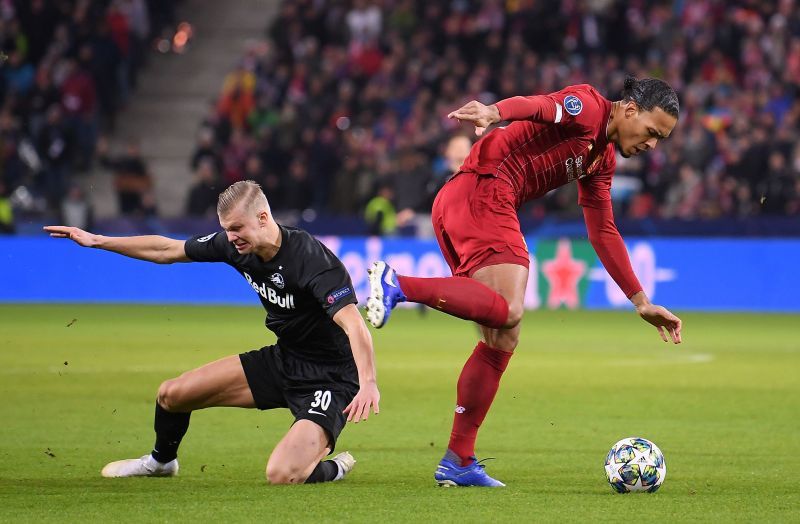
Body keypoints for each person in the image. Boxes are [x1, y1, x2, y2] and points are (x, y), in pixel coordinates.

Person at [366, 77, 683, 487]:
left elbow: (603, 230)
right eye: (652, 132)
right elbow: (539, 106)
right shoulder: (587, 108)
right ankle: (398, 284)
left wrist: (641, 301)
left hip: (462, 200)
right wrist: (493, 112)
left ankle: (458, 460)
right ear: (628, 110)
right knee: (511, 308)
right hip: (487, 189)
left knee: (502, 337)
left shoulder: (601, 159)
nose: (652, 145)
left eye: (661, 139)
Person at [44, 180, 380, 485]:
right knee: (172, 394)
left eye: (237, 228)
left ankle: (333, 468)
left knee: (282, 474)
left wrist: (368, 384)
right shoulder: (236, 247)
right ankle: (162, 462)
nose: (231, 237)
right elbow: (166, 250)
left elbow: (354, 324)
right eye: (226, 229)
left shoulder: (313, 260)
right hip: (286, 360)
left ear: (263, 218)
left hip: (331, 379)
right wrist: (98, 240)